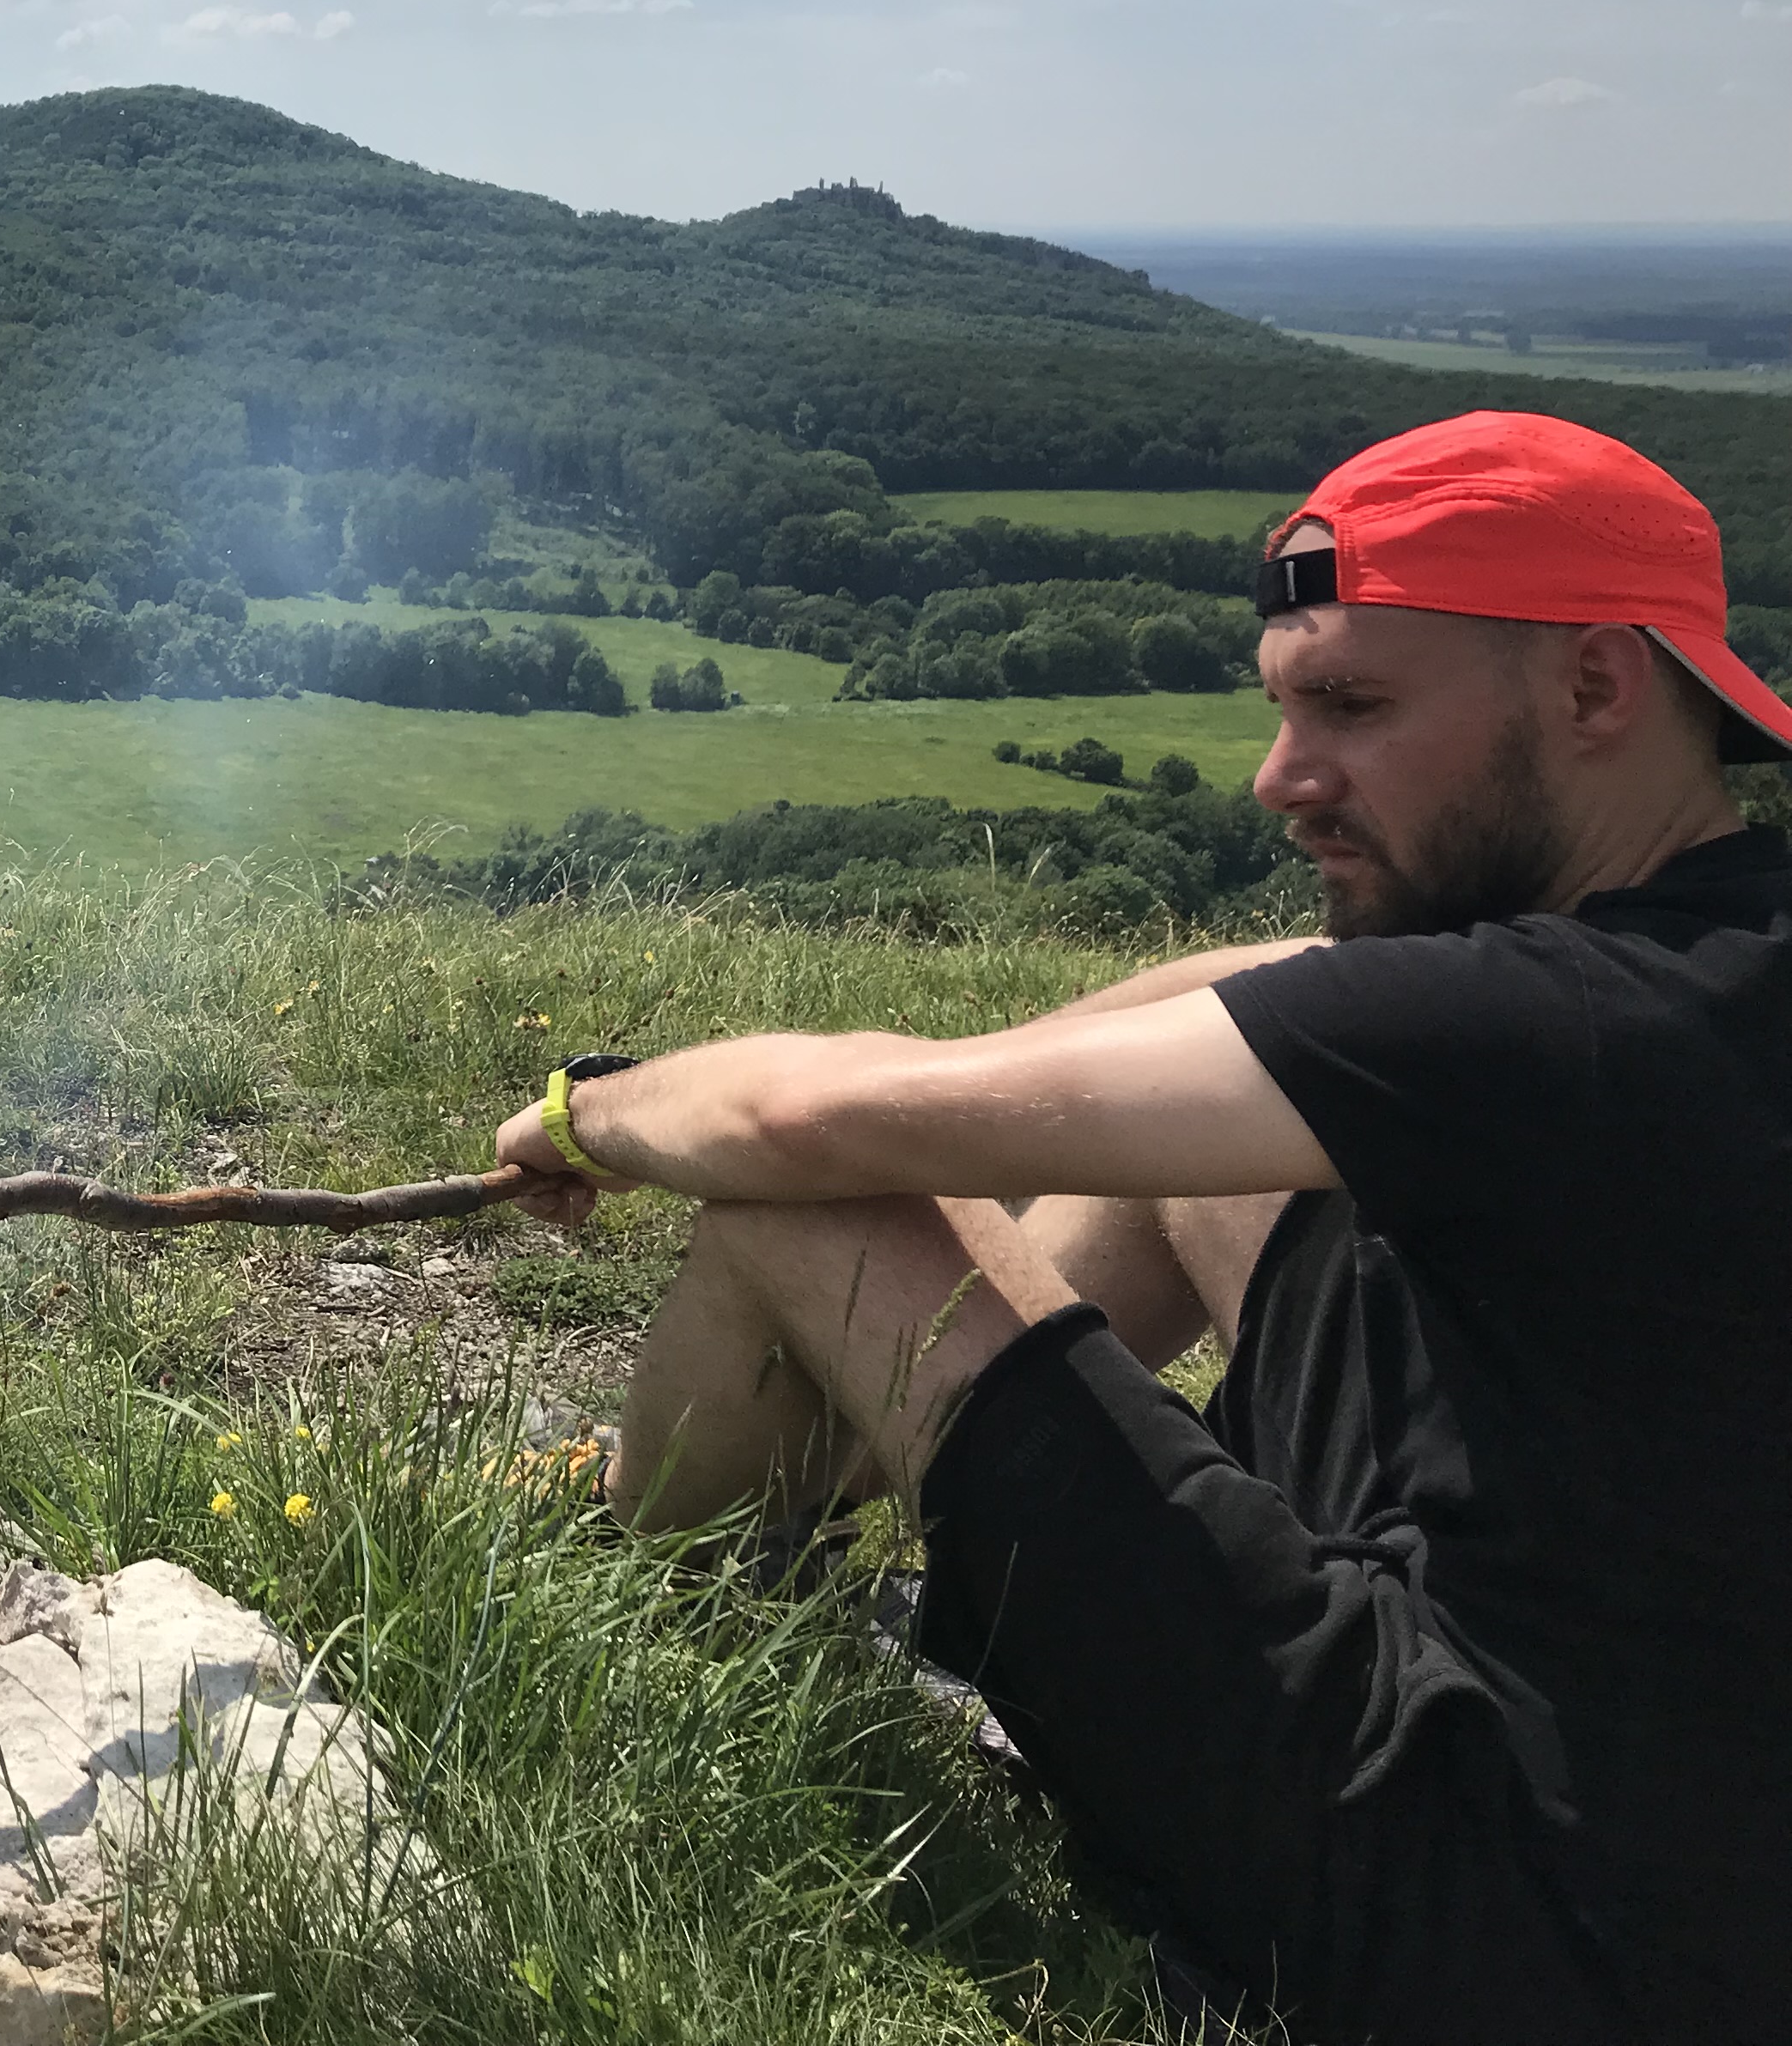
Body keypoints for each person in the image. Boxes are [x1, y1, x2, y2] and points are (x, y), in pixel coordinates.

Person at [494, 411, 1792, 2046]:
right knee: (1224, 1153)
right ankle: (872, 1465)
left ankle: (660, 1587)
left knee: (818, 1204)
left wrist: (584, 1112)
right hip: (1665, 1830)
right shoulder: (1706, 960)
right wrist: (991, 1077)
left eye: (1354, 707)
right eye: (1281, 707)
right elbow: (1262, 1003)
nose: (1282, 777)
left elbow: (789, 1126)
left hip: (1479, 1914)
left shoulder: (1551, 1026)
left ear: (1595, 688)